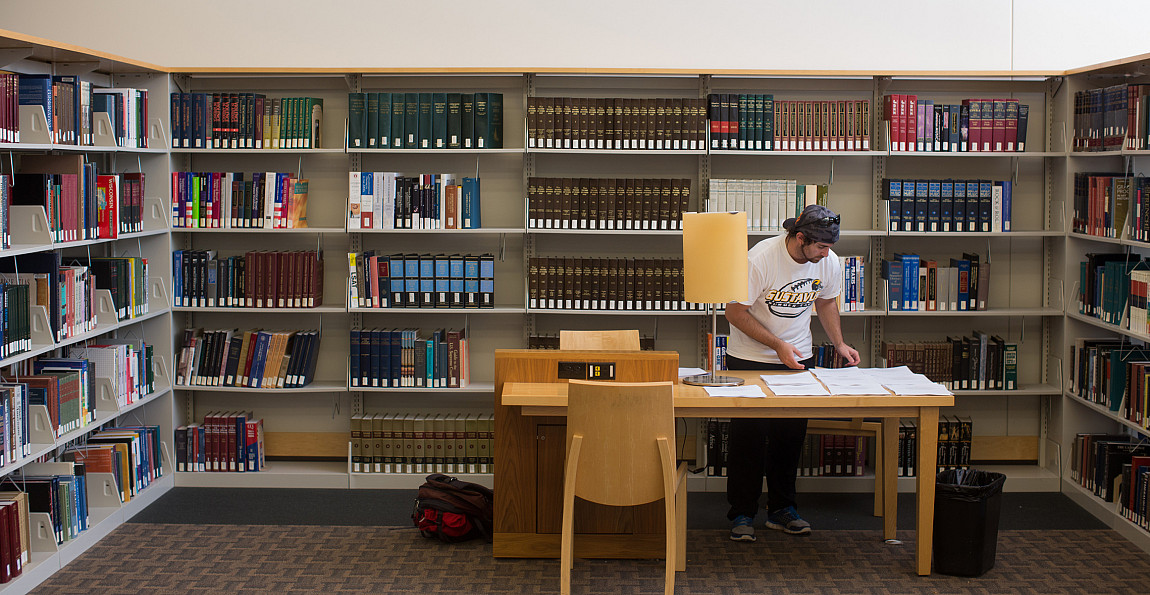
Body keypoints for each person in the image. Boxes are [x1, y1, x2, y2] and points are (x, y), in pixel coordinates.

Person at [723, 204, 860, 542]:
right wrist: (776, 346)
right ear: (801, 238)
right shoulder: (761, 259)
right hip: (750, 358)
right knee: (748, 439)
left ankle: (782, 509)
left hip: (798, 358)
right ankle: (742, 513)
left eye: (830, 246)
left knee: (790, 437)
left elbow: (826, 302)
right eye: (821, 247)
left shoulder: (828, 261)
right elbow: (734, 312)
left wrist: (839, 344)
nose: (828, 253)